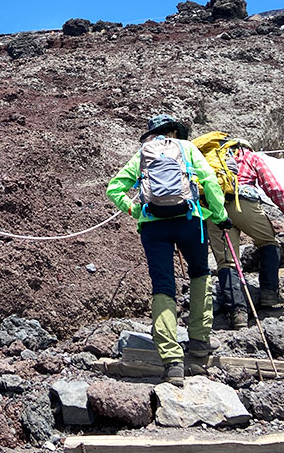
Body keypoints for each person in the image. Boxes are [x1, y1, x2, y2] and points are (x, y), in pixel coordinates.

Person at [106, 114, 231, 386]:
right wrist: (219, 216)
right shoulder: (187, 149)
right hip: (189, 221)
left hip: (154, 227)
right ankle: (199, 342)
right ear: (175, 131)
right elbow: (210, 181)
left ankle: (172, 362)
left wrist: (135, 210)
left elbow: (114, 188)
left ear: (153, 134)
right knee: (200, 274)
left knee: (163, 286)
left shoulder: (142, 154)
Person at [203, 137, 284, 328]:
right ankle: (269, 294)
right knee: (268, 242)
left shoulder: (209, 159)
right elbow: (271, 186)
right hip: (244, 205)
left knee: (227, 261)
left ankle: (237, 313)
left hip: (215, 208)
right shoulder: (249, 156)